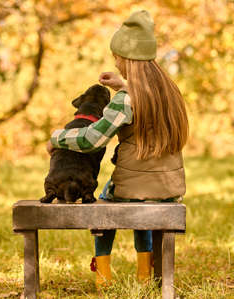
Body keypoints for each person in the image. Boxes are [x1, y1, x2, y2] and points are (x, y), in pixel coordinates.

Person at [46, 10, 188, 288]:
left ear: (128, 59)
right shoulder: (169, 90)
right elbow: (143, 97)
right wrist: (123, 84)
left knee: (104, 201)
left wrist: (56, 138)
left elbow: (91, 140)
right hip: (169, 188)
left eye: (117, 56)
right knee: (141, 207)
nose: (115, 61)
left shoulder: (124, 100)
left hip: (137, 188)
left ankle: (104, 278)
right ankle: (145, 277)